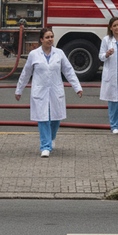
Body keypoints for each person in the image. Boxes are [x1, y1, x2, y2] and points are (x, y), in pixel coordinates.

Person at [15, 27, 83, 158]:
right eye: (47, 37)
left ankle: (51, 138)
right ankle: (45, 146)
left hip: (55, 90)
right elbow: (25, 74)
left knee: (56, 119)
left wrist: (77, 87)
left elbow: (68, 71)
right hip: (40, 92)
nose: (50, 39)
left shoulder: (59, 53)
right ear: (41, 39)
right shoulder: (34, 54)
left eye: (51, 37)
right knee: (43, 119)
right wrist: (19, 90)